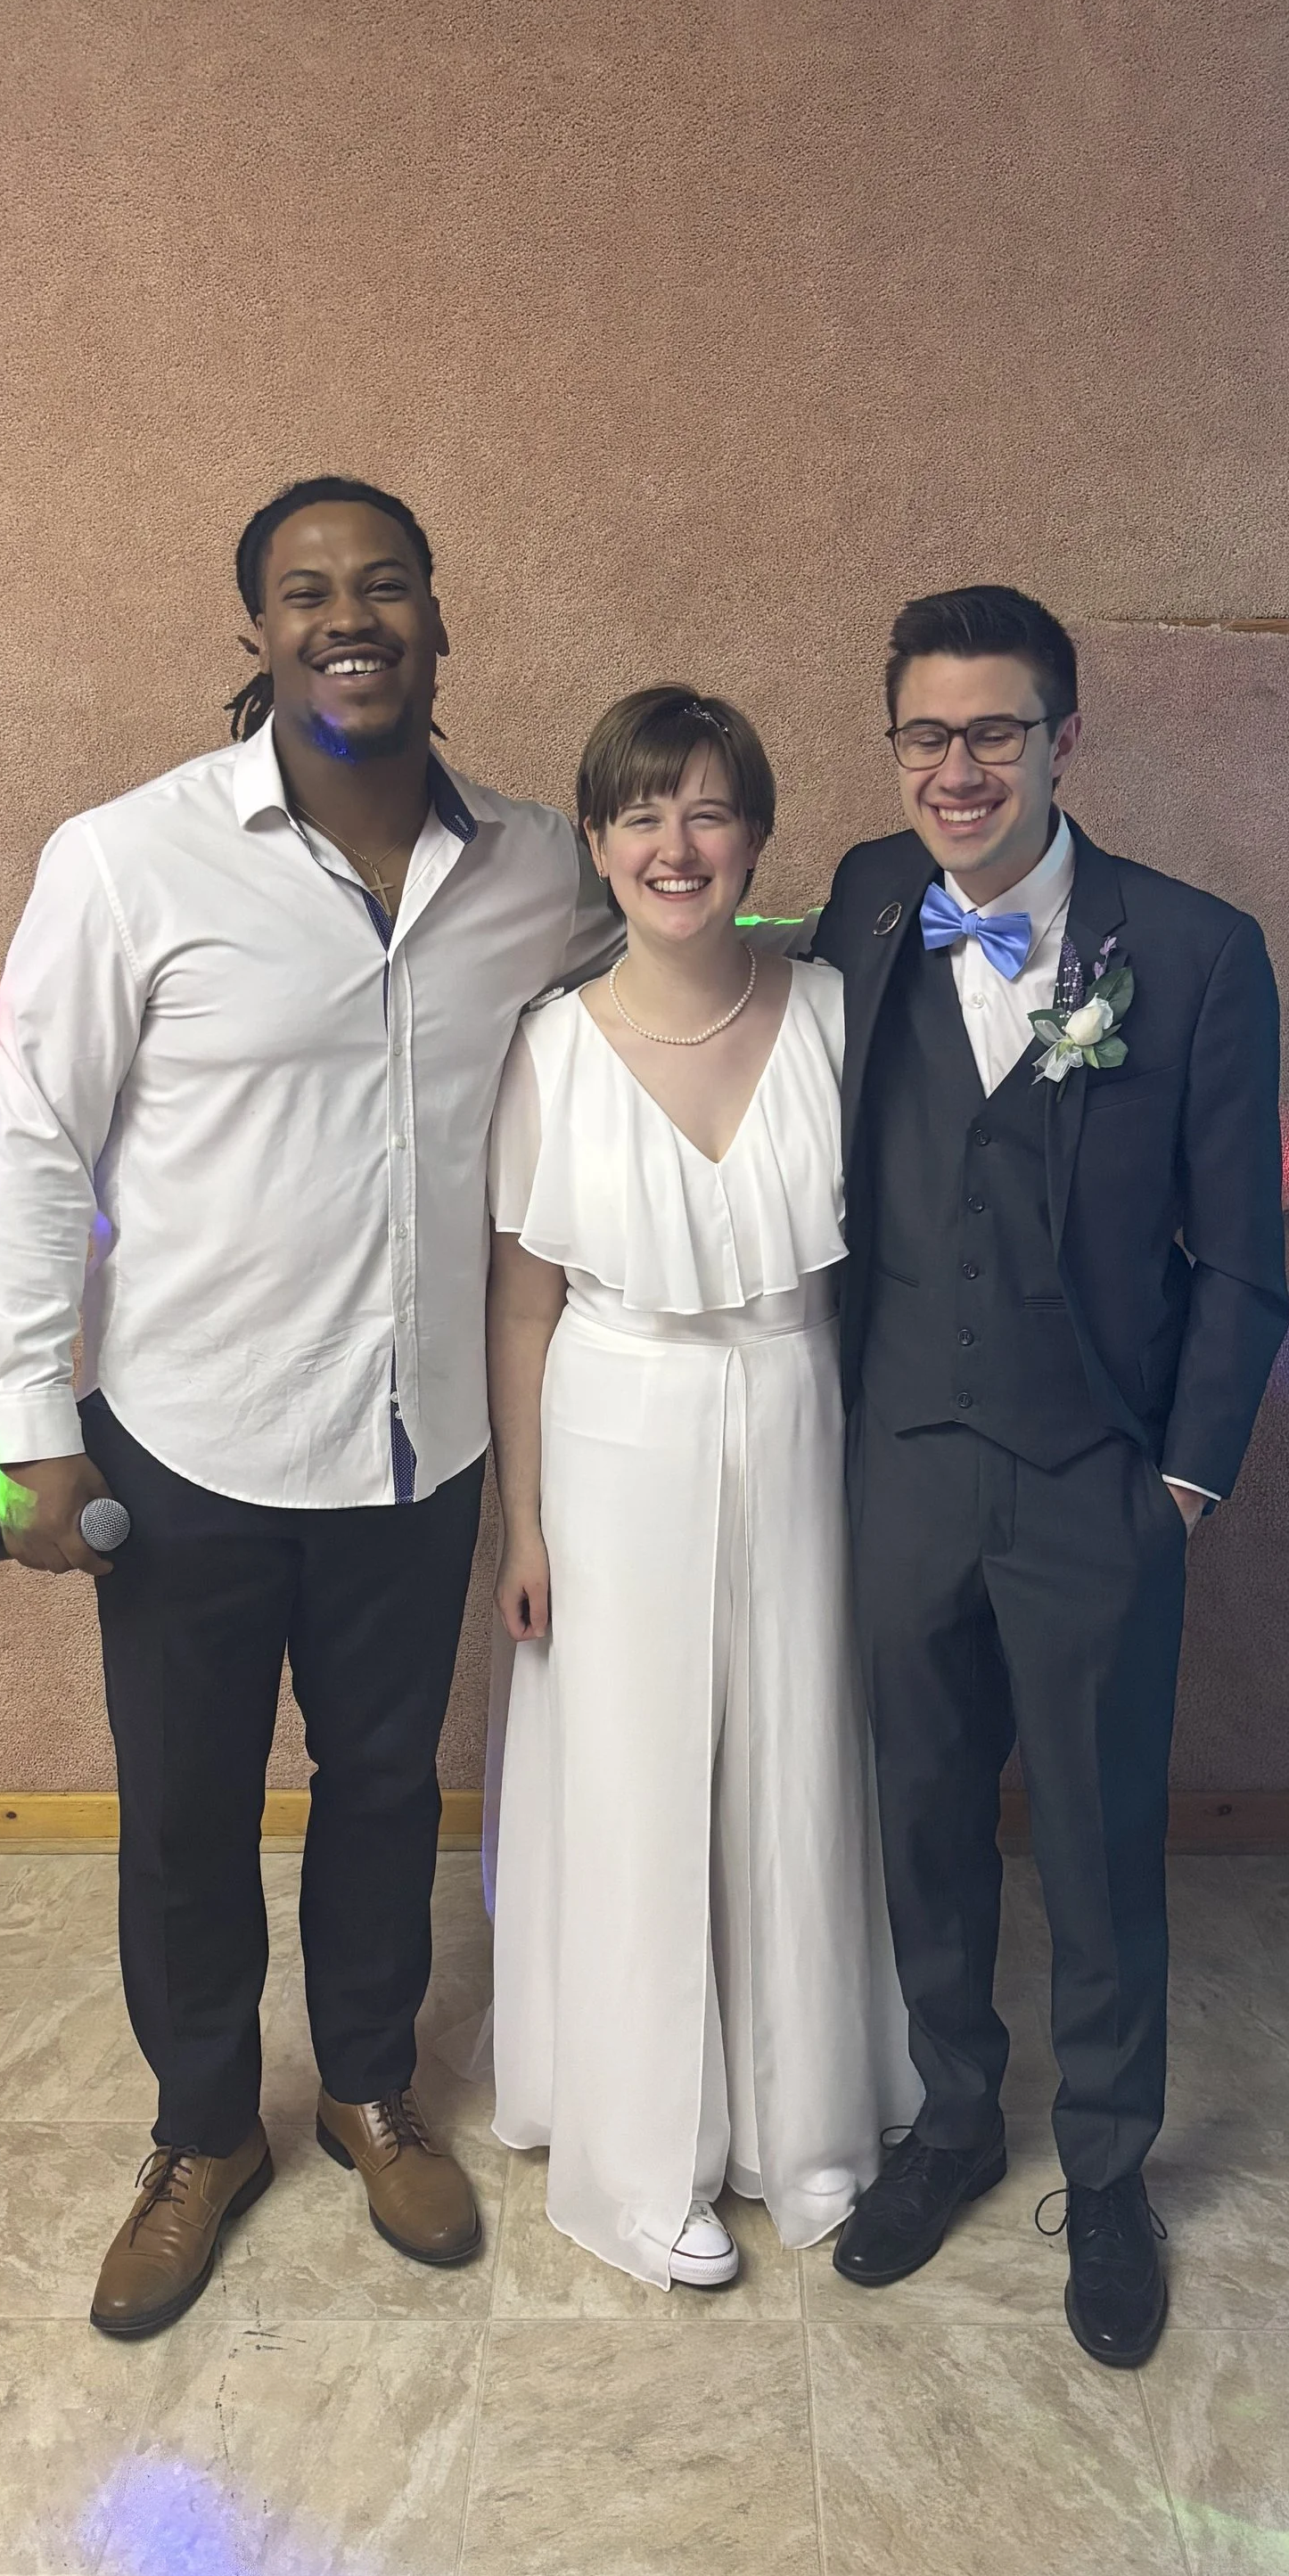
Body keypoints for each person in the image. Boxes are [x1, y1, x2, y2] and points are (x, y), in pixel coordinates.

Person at [0, 476, 622, 2337]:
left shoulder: (536, 872)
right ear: (258, 632)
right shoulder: (126, 859)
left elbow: (659, 979)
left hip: (422, 1440)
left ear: (437, 619)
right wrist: (28, 1423)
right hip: (192, 1441)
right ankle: (199, 2132)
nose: (350, 617)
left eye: (384, 584)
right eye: (308, 591)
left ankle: (366, 2087)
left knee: (388, 1785)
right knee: (185, 1808)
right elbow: (30, 1146)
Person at [817, 585, 1289, 2365]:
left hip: (1098, 1475)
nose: (957, 769)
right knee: (922, 1818)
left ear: (1063, 739)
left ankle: (1104, 2169)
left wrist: (1183, 1483)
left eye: (994, 732)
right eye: (925, 735)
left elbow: (1240, 1262)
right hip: (903, 1459)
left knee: (1098, 1837)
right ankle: (952, 2119)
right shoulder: (865, 899)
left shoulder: (1197, 951)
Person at [484, 688, 916, 2291]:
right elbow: (519, 1308)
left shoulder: (837, 1016)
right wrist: (524, 1527)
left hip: (801, 1412)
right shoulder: (548, 1046)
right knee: (636, 1776)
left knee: (800, 1757)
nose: (678, 846)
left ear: (757, 836)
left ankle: (804, 2126)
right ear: (599, 846)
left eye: (710, 811)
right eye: (642, 816)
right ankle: (640, 2152)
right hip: (613, 1430)